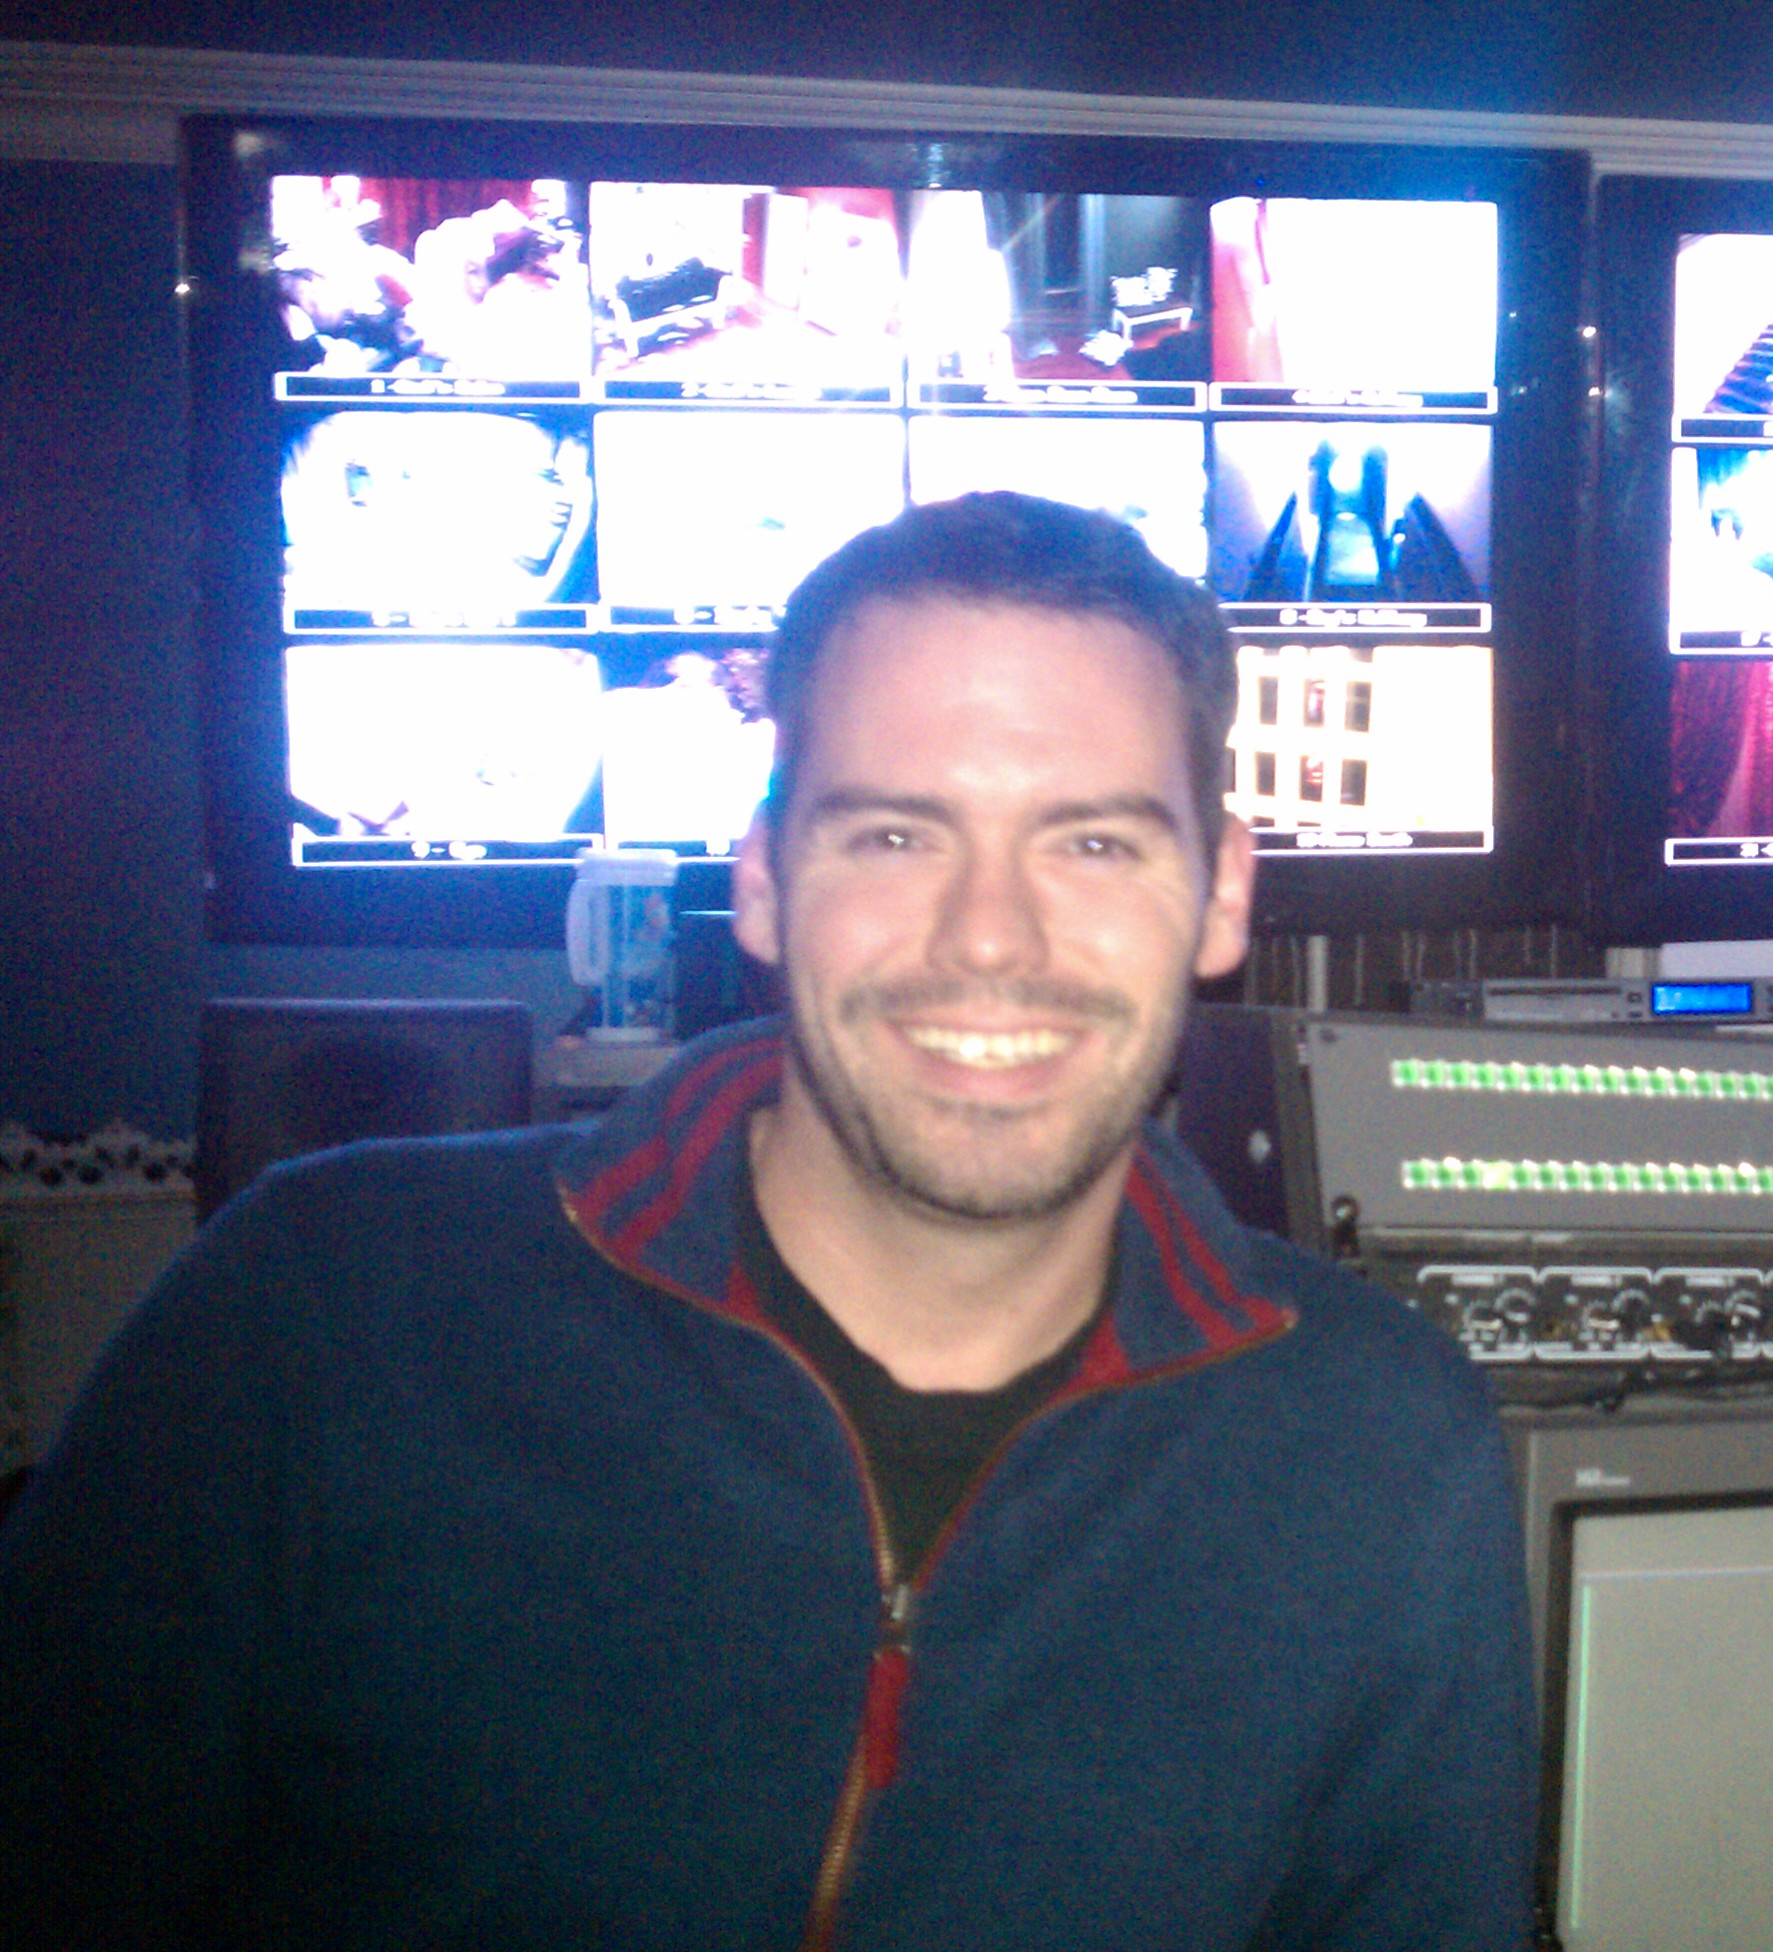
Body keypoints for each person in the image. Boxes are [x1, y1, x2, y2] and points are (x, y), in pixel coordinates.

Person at [0, 492, 1535, 1949]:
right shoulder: (321, 1315)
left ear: (1219, 898)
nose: (989, 936)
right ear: (758, 883)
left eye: (1093, 843)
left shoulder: (1380, 1443)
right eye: (892, 835)